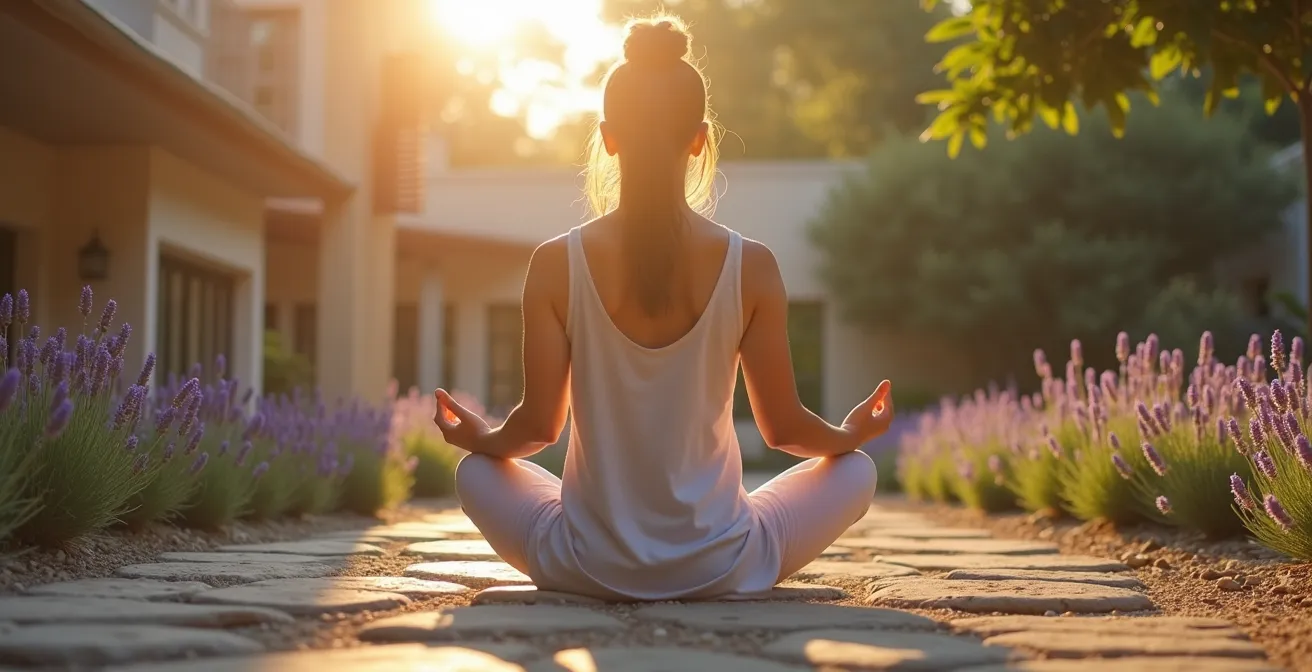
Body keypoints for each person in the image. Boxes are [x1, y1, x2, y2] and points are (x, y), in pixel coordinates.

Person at [432, 15, 894, 601]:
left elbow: (537, 429)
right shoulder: (751, 265)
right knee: (857, 470)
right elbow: (784, 431)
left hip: (585, 563)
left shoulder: (555, 264)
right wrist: (850, 432)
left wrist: (481, 439)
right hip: (724, 562)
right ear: (699, 138)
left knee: (473, 473)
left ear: (607, 136)